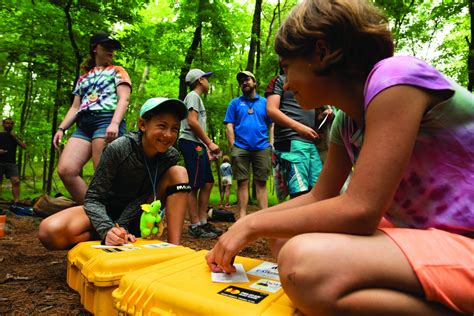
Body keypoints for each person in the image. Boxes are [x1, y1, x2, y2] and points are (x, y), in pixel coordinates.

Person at [206, 0, 474, 315]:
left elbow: (361, 210)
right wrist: (255, 222)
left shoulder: (397, 78)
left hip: (463, 240)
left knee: (305, 265)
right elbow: (320, 196)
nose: (287, 83)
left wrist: (252, 224)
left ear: (321, 51)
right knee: (281, 236)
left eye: (286, 66)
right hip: (436, 237)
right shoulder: (346, 122)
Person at [38, 98, 191, 249]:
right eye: (162, 126)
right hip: (105, 211)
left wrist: (124, 224)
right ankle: (110, 237)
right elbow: (93, 198)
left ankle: (174, 248)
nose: (168, 135)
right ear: (142, 125)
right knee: (49, 231)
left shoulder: (170, 156)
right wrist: (108, 229)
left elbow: (146, 197)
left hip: (139, 213)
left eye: (174, 129)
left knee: (179, 172)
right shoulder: (119, 148)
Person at [53, 31, 132, 204]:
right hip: (84, 124)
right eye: (106, 46)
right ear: (95, 48)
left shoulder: (118, 71)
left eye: (113, 47)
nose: (111, 50)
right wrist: (61, 128)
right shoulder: (83, 77)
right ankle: (92, 211)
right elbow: (75, 107)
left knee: (101, 175)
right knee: (66, 169)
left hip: (106, 119)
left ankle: (110, 219)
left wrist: (115, 123)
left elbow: (124, 99)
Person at [178, 69, 222, 239]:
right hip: (190, 142)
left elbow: (197, 125)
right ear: (200, 80)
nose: (208, 82)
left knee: (208, 182)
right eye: (206, 78)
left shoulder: (197, 99)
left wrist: (206, 146)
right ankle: (195, 224)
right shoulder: (193, 96)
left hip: (197, 144)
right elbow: (191, 122)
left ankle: (203, 221)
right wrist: (209, 143)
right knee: (195, 184)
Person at [266, 74, 323, 199]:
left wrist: (323, 116)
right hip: (291, 140)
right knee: (299, 192)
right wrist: (298, 127)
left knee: (318, 190)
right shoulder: (280, 80)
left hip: (310, 141)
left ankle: (312, 219)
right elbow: (271, 110)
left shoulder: (307, 84)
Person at [224, 71, 272, 218]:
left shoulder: (265, 102)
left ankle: (264, 217)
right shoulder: (235, 103)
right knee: (242, 183)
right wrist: (232, 144)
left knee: (261, 183)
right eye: (242, 81)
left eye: (248, 79)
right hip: (240, 147)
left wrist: (271, 143)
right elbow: (229, 125)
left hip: (262, 147)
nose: (245, 82)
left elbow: (271, 125)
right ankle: (242, 217)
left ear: (255, 82)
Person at [0, 118, 27, 203]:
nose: (9, 125)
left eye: (11, 124)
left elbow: (24, 146)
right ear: (3, 124)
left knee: (16, 181)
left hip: (11, 163)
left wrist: (15, 138)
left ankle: (16, 202)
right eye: (7, 123)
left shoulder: (14, 136)